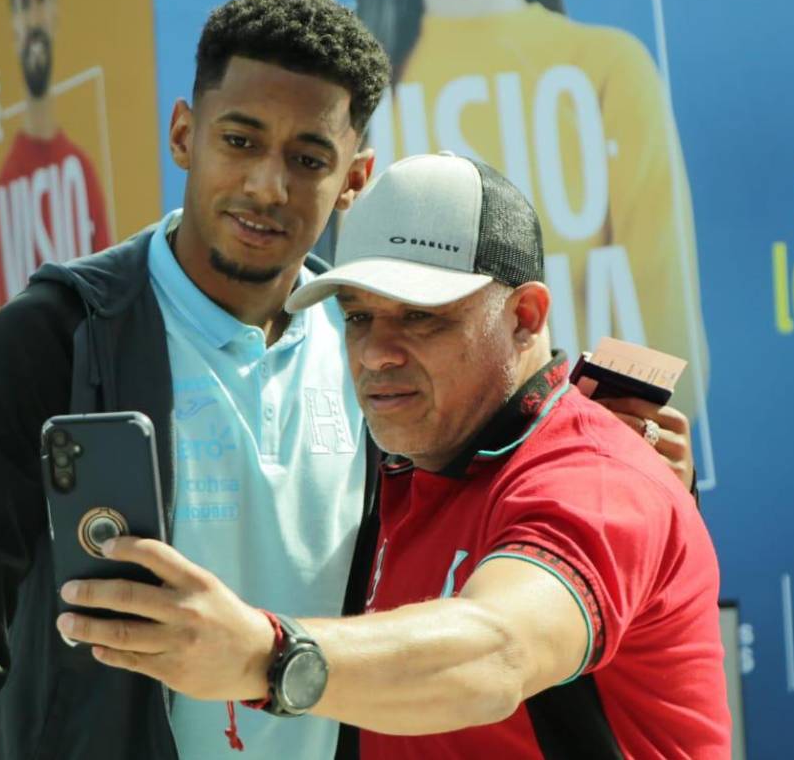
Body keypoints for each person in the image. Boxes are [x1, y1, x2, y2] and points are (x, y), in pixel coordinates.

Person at [57, 153, 731, 758]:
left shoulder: (597, 476)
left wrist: (268, 657)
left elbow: (496, 650)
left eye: (420, 316)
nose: (376, 353)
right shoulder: (401, 460)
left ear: (526, 316)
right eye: (357, 316)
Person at [0, 0, 390, 760]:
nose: (265, 186)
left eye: (308, 158)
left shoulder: (371, 351)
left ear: (354, 178)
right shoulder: (55, 338)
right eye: (239, 141)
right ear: (184, 133)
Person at [356, 0, 710, 424]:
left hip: (588, 466)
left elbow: (667, 343)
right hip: (425, 477)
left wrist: (587, 455)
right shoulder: (358, 100)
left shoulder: (608, 67)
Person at [0, 0, 112, 306]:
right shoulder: (6, 185)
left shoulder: (81, 170)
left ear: (56, 12)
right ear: (14, 23)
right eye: (24, 2)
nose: (33, 17)